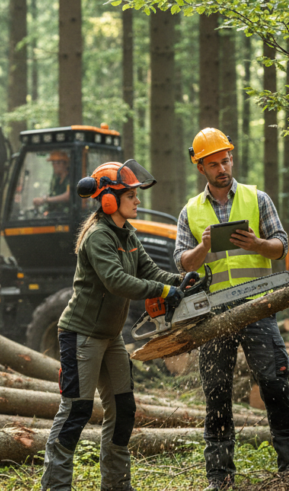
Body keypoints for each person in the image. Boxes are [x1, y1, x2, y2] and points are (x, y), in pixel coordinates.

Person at [40, 160, 186, 491]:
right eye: (131, 195)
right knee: (76, 411)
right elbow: (117, 281)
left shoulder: (128, 233)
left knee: (123, 410)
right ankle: (55, 486)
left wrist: (180, 281)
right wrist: (164, 291)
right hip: (81, 335)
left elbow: (150, 271)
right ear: (109, 199)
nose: (137, 200)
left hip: (110, 337)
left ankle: (117, 486)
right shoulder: (98, 237)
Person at [173, 128, 289, 490]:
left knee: (275, 384)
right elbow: (182, 262)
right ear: (201, 167)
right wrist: (203, 249)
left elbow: (280, 245)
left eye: (225, 160)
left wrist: (258, 243)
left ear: (232, 158)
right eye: (213, 163)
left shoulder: (256, 198)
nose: (222, 168)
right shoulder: (191, 210)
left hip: (257, 304)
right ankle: (219, 475)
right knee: (216, 393)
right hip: (212, 312)